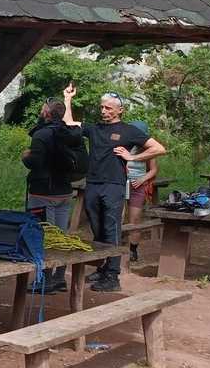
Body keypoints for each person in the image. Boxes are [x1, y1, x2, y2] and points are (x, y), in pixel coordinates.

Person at [62, 84, 165, 292]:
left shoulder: (129, 131)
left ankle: (113, 276)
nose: (104, 111)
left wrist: (132, 156)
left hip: (114, 186)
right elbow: (68, 123)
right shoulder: (94, 128)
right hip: (92, 184)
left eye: (109, 108)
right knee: (97, 228)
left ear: (120, 110)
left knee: (111, 229)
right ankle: (102, 268)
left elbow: (159, 148)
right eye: (102, 107)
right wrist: (67, 100)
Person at [21, 98, 83, 293]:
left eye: (42, 109)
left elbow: (36, 162)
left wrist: (26, 157)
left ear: (47, 113)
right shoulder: (70, 133)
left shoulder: (42, 135)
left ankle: (44, 281)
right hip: (65, 191)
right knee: (61, 235)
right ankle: (59, 278)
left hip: (43, 192)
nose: (40, 111)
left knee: (44, 236)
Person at [125, 120, 160, 262]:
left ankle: (133, 250)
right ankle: (117, 248)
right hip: (121, 184)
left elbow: (153, 170)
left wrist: (142, 179)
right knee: (118, 217)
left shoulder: (147, 149)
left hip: (137, 185)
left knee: (135, 219)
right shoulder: (122, 146)